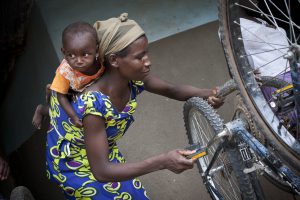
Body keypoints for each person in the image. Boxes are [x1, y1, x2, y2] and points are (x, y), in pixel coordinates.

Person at [46, 13, 224, 199]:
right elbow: (102, 172)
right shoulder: (92, 105)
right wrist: (162, 162)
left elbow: (172, 89)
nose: (148, 61)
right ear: (114, 60)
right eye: (140, 56)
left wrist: (208, 94)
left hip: (101, 154)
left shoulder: (134, 80)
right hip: (75, 166)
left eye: (146, 52)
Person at [32, 22, 105, 129]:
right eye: (71, 55)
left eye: (85, 54)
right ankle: (42, 109)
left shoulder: (102, 60)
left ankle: (52, 87)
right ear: (63, 52)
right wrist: (74, 117)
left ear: (97, 50)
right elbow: (61, 97)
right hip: (68, 93)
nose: (78, 61)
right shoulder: (65, 73)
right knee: (59, 113)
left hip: (85, 88)